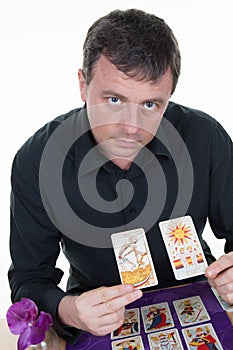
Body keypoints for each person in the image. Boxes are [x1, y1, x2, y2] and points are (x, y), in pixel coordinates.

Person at [8, 8, 233, 345]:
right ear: (83, 85)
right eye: (114, 99)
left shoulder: (205, 138)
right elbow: (29, 279)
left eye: (151, 105)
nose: (131, 127)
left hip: (200, 301)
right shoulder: (36, 161)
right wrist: (69, 310)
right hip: (96, 319)